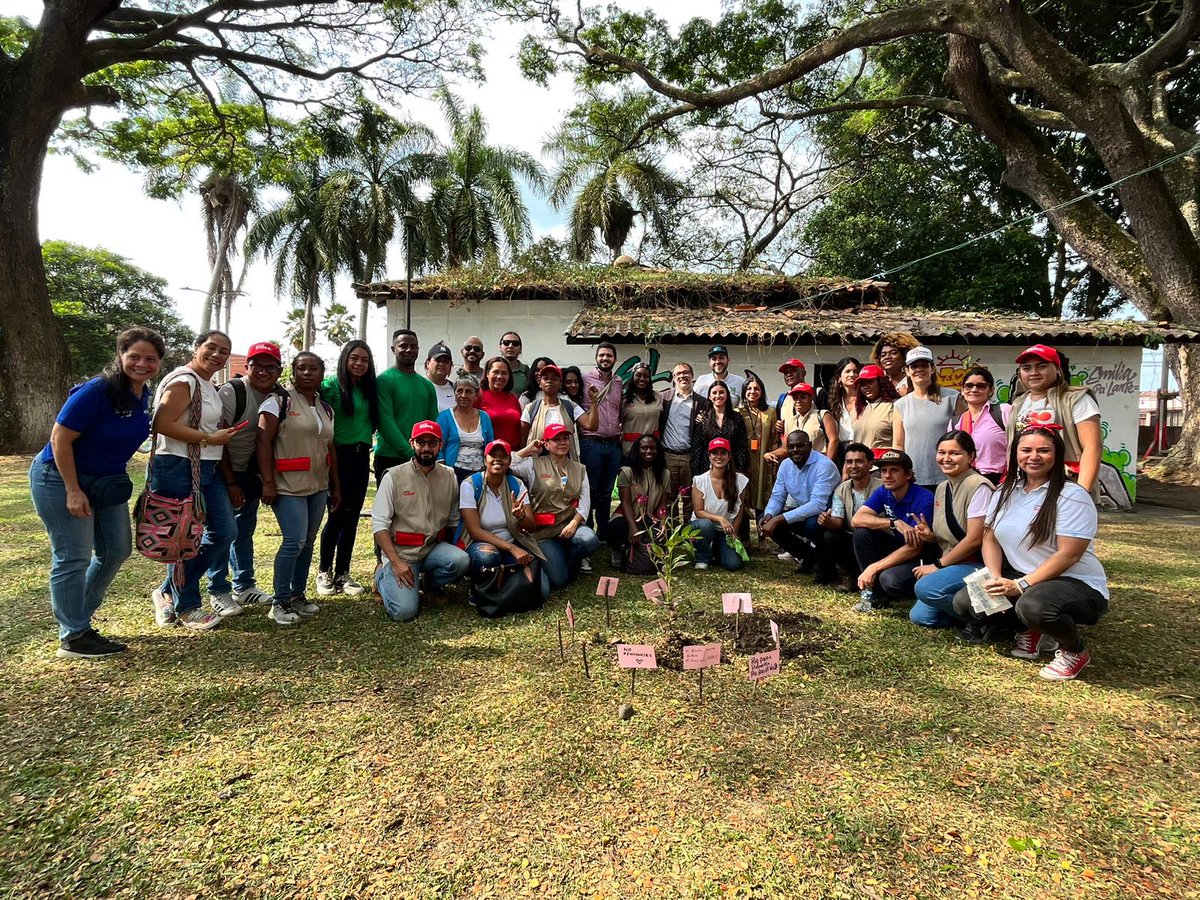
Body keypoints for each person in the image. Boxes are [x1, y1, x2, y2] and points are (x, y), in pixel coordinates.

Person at [31, 326, 165, 658]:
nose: (141, 364)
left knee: (117, 549)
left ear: (159, 362)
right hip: (60, 478)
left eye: (150, 358)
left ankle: (78, 617)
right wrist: (73, 490)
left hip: (105, 483)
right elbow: (59, 439)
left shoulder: (143, 396)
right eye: (134, 356)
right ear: (120, 356)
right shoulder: (97, 390)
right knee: (72, 556)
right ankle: (74, 636)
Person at [952, 425, 1109, 680]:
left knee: (1033, 606)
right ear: (1015, 454)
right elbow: (989, 537)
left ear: (1057, 455)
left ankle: (1074, 650)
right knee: (967, 601)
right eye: (1026, 450)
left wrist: (1021, 585)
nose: (1033, 456)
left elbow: (1069, 555)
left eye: (1043, 450)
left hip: (1074, 582)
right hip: (1020, 575)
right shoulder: (1005, 491)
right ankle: (1030, 629)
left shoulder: (1072, 496)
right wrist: (993, 577)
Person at [149, 330, 243, 631]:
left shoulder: (208, 385)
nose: (217, 355)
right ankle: (187, 606)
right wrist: (208, 437)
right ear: (196, 348)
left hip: (207, 468)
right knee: (182, 539)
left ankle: (168, 589)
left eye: (224, 351)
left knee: (224, 531)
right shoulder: (184, 380)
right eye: (211, 348)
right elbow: (162, 424)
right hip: (177, 465)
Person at [257, 352, 341, 626]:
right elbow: (263, 442)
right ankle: (279, 601)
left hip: (317, 485)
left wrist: (335, 488)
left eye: (313, 368)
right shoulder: (278, 402)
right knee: (294, 541)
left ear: (321, 373)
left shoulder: (324, 407)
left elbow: (330, 448)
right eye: (301, 368)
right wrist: (268, 482)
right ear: (292, 371)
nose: (307, 373)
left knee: (308, 540)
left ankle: (297, 595)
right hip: (287, 485)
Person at [206, 341, 287, 615]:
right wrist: (230, 482)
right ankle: (217, 589)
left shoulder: (279, 395)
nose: (263, 372)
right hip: (223, 470)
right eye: (257, 365)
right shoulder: (233, 392)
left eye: (270, 366)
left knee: (244, 529)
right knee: (222, 530)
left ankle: (244, 585)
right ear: (247, 366)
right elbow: (220, 442)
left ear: (279, 370)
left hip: (252, 471)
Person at [371, 421, 469, 622]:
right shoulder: (393, 476)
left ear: (440, 445)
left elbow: (453, 519)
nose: (426, 448)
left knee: (461, 560)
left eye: (432, 442)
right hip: (402, 554)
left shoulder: (449, 476)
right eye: (420, 442)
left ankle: (430, 584)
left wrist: (453, 547)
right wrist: (396, 563)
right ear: (411, 443)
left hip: (432, 549)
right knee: (404, 612)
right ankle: (381, 575)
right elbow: (379, 525)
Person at [908, 431, 994, 629]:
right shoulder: (942, 487)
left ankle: (986, 620)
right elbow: (949, 535)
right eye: (941, 452)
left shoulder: (978, 486)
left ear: (970, 456)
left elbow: (974, 539)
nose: (946, 458)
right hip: (953, 562)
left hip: (976, 563)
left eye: (954, 453)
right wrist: (930, 536)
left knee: (925, 588)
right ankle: (973, 609)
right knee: (921, 616)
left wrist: (937, 566)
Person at [316, 339, 378, 598]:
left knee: (352, 517)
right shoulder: (330, 386)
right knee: (337, 513)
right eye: (354, 358)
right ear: (345, 359)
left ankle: (343, 572)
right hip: (337, 455)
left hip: (361, 456)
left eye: (364, 359)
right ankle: (324, 571)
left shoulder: (368, 389)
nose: (359, 364)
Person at [458, 439, 548, 602]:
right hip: (480, 545)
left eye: (503, 456)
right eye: (493, 455)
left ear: (509, 461)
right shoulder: (471, 485)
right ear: (485, 459)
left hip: (511, 543)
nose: (498, 459)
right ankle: (478, 587)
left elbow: (531, 527)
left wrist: (520, 516)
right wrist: (512, 548)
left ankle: (501, 581)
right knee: (488, 557)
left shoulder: (517, 484)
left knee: (542, 590)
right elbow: (474, 531)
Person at [512, 424, 599, 589]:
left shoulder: (579, 468)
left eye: (565, 438)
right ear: (546, 444)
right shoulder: (533, 464)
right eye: (556, 439)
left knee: (589, 540)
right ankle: (553, 560)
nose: (562, 443)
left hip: (568, 526)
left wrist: (574, 523)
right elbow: (508, 464)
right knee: (559, 581)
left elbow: (585, 501)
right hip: (543, 532)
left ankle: (569, 559)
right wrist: (528, 448)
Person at [1006, 344, 1102, 492]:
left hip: (1065, 484)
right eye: (1026, 368)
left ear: (1057, 369)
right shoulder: (1019, 403)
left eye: (1042, 366)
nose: (1034, 372)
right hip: (1026, 485)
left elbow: (1092, 447)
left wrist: (1081, 492)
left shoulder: (1076, 399)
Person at [850, 449, 936, 613]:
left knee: (890, 580)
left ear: (908, 475)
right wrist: (893, 522)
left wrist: (873, 567)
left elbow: (915, 547)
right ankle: (873, 594)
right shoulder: (884, 491)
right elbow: (857, 519)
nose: (887, 475)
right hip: (900, 545)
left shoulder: (924, 498)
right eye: (884, 471)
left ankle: (916, 594)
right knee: (861, 533)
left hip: (923, 554)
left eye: (894, 470)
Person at [758, 431, 840, 574]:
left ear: (809, 445)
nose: (795, 450)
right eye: (791, 447)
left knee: (812, 525)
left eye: (800, 446)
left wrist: (779, 519)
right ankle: (809, 556)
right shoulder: (785, 466)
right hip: (805, 511)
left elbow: (818, 504)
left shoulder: (824, 465)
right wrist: (769, 515)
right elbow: (778, 496)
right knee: (764, 521)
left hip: (828, 516)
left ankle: (827, 564)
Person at [894, 346, 965, 489]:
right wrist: (900, 472)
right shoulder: (900, 405)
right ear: (907, 371)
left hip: (947, 477)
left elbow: (964, 437)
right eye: (914, 366)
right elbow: (898, 444)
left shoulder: (952, 397)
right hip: (913, 478)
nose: (919, 369)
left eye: (924, 365)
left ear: (932, 369)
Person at [374, 329, 438, 483]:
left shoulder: (427, 385)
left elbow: (433, 423)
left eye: (413, 346)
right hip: (390, 457)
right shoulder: (384, 380)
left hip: (421, 458)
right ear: (393, 349)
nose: (409, 350)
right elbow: (385, 422)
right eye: (403, 346)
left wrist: (425, 452)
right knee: (391, 506)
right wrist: (411, 452)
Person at [816, 442, 881, 588]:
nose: (853, 466)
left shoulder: (882, 487)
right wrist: (827, 521)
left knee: (863, 534)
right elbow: (837, 522)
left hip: (877, 538)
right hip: (853, 537)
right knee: (828, 536)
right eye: (849, 462)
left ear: (870, 465)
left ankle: (874, 580)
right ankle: (853, 576)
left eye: (859, 461)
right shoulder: (841, 489)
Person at [606, 434, 673, 571]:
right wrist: (633, 527)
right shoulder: (627, 472)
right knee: (616, 527)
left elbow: (662, 504)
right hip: (628, 515)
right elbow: (625, 503)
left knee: (669, 528)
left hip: (651, 516)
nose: (649, 451)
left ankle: (658, 558)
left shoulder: (664, 473)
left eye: (653, 448)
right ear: (637, 450)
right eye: (644, 448)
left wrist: (663, 523)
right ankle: (618, 550)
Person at [579, 342, 624, 540]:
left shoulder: (619, 382)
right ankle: (588, 528)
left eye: (609, 356)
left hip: (613, 444)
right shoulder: (584, 379)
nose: (605, 359)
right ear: (597, 358)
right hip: (591, 443)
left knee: (607, 491)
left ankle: (603, 531)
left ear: (614, 359)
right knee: (591, 489)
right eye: (602, 355)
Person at [659, 363, 710, 521]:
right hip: (668, 455)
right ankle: (671, 532)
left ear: (692, 376)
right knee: (669, 497)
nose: (683, 376)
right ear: (674, 378)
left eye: (686, 373)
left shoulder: (701, 402)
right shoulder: (664, 398)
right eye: (678, 374)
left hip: (690, 456)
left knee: (689, 497)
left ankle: (688, 533)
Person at [519, 363, 600, 460]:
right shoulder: (530, 409)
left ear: (560, 384)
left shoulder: (570, 406)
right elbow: (523, 439)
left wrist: (593, 401)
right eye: (546, 378)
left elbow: (591, 426)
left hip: (565, 463)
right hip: (538, 464)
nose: (550, 381)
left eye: (554, 379)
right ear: (540, 383)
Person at [691, 438, 749, 571]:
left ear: (729, 456)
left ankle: (717, 548)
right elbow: (698, 511)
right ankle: (703, 557)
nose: (719, 457)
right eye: (714, 453)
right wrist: (721, 519)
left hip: (725, 531)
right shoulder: (700, 480)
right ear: (709, 456)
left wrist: (735, 532)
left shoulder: (740, 480)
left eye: (723, 453)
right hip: (703, 527)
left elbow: (740, 510)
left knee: (734, 564)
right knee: (705, 525)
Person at [955, 365, 1011, 484]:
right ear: (962, 390)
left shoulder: (1003, 412)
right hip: (968, 482)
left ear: (991, 390)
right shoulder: (956, 422)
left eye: (981, 386)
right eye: (969, 386)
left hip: (1001, 481)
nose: (974, 390)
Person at [738, 372, 780, 527]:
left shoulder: (770, 412)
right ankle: (745, 536)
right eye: (748, 388)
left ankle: (763, 535)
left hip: (764, 462)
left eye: (756, 388)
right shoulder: (738, 412)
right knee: (743, 495)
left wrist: (775, 463)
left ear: (761, 391)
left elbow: (774, 439)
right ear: (744, 391)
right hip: (745, 461)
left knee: (763, 497)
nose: (752, 392)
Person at [438, 376, 495, 481]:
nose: (463, 395)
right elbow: (439, 448)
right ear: (454, 394)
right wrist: (443, 473)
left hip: (480, 473)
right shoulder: (444, 417)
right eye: (459, 391)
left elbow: (490, 447)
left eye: (468, 392)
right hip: (453, 473)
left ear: (476, 395)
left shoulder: (484, 417)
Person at [690, 381, 749, 479]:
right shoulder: (703, 418)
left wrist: (740, 470)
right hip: (707, 468)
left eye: (721, 392)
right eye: (714, 393)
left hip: (732, 467)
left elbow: (741, 446)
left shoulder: (736, 417)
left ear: (727, 395)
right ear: (709, 396)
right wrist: (697, 473)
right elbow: (697, 447)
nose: (718, 396)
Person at [773, 382, 838, 462]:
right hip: (797, 467)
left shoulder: (822, 415)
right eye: (795, 398)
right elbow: (785, 449)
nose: (798, 401)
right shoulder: (789, 422)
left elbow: (833, 440)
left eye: (803, 397)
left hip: (818, 465)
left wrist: (827, 465)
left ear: (811, 398)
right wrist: (770, 454)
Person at [851, 364, 901, 453]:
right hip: (861, 464)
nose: (866, 387)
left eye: (870, 382)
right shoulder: (857, 410)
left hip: (884, 464)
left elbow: (899, 444)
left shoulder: (895, 406)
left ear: (881, 382)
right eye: (862, 384)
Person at [478, 356, 523, 448]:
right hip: (490, 455)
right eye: (496, 372)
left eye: (504, 373)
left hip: (513, 454)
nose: (500, 376)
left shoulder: (513, 398)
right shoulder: (478, 396)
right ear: (487, 373)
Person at [620, 361, 663, 457]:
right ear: (633, 376)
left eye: (646, 376)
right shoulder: (624, 399)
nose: (642, 379)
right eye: (638, 375)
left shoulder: (658, 396)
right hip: (630, 450)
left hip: (651, 450)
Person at [826, 357, 862, 449]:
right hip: (840, 452)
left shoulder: (866, 401)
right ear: (839, 378)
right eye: (848, 371)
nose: (852, 374)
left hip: (863, 447)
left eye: (855, 371)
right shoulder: (832, 403)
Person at [871, 332, 920, 396]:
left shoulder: (915, 381)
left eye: (893, 353)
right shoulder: (881, 384)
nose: (887, 357)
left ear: (905, 356)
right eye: (883, 355)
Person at [425, 341, 456, 412]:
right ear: (428, 363)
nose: (442, 364)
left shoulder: (456, 389)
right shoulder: (420, 384)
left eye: (446, 361)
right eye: (438, 360)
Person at [499, 331, 532, 396]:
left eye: (515, 343)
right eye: (506, 343)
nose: (510, 346)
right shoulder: (492, 369)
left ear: (520, 348)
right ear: (500, 347)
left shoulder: (526, 371)